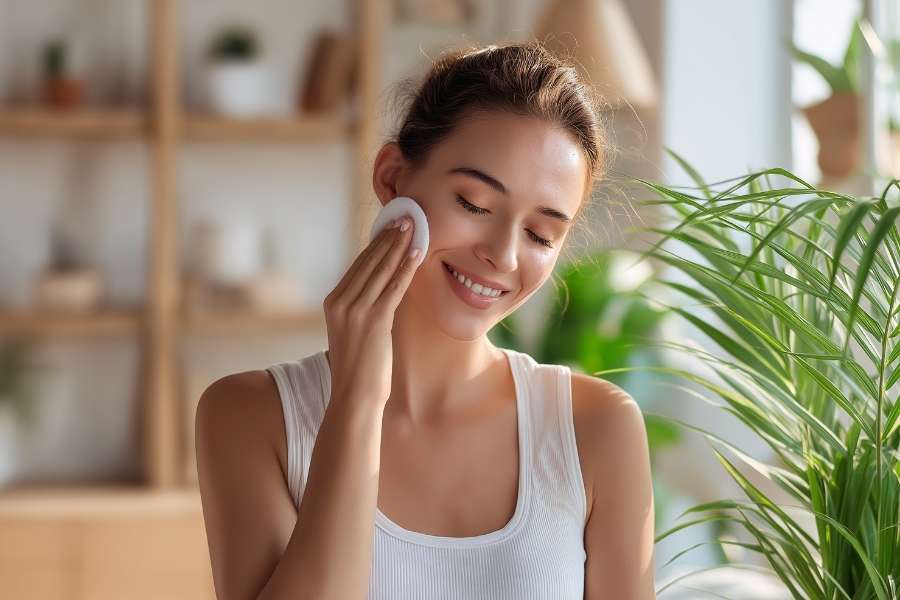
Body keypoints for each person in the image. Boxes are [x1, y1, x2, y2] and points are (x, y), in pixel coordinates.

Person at [195, 41, 656, 600]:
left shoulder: (597, 430)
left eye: (540, 234)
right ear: (392, 179)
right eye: (474, 204)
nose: (504, 256)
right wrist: (358, 400)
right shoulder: (250, 417)